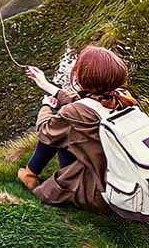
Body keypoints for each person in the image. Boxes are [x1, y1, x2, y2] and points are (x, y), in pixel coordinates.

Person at [17, 45, 137, 213]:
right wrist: (45, 84)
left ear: (81, 77)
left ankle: (30, 175)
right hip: (130, 180)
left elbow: (45, 130)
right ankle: (31, 174)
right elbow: (86, 102)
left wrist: (45, 107)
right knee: (63, 129)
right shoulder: (122, 98)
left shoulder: (75, 114)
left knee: (56, 132)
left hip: (105, 194)